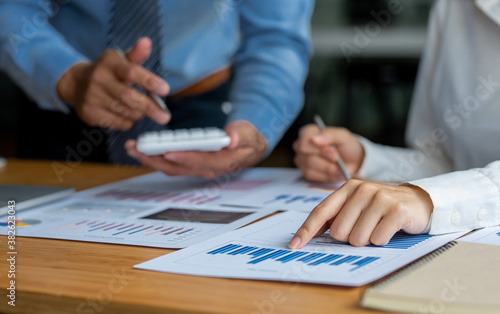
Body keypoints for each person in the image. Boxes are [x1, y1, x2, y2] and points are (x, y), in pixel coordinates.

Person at [0, 0, 313, 178]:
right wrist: (66, 76)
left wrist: (256, 121)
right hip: (63, 101)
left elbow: (276, 37)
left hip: (204, 116)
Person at [289, 0, 500, 249]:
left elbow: (445, 190)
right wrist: (368, 161)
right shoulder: (452, 6)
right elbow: (446, 159)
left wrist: (431, 200)